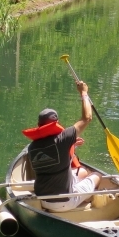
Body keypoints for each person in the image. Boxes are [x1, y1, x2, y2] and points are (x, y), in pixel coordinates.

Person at [21, 80, 102, 211]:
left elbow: (51, 155)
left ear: (39, 125)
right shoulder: (63, 138)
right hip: (66, 202)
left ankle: (82, 194)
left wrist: (72, 145)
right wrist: (84, 93)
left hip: (43, 201)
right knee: (97, 176)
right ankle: (88, 200)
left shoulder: (32, 147)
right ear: (56, 123)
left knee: (81, 172)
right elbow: (87, 117)